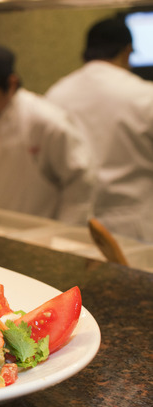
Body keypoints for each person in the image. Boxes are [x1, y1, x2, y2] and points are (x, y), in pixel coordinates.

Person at [0, 43, 94, 224]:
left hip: (40, 231)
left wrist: (64, 234)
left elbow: (80, 181)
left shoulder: (46, 122)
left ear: (11, 84)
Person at [46, 17, 153, 243]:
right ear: (127, 51)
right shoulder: (144, 95)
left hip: (73, 223)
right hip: (134, 226)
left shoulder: (56, 93)